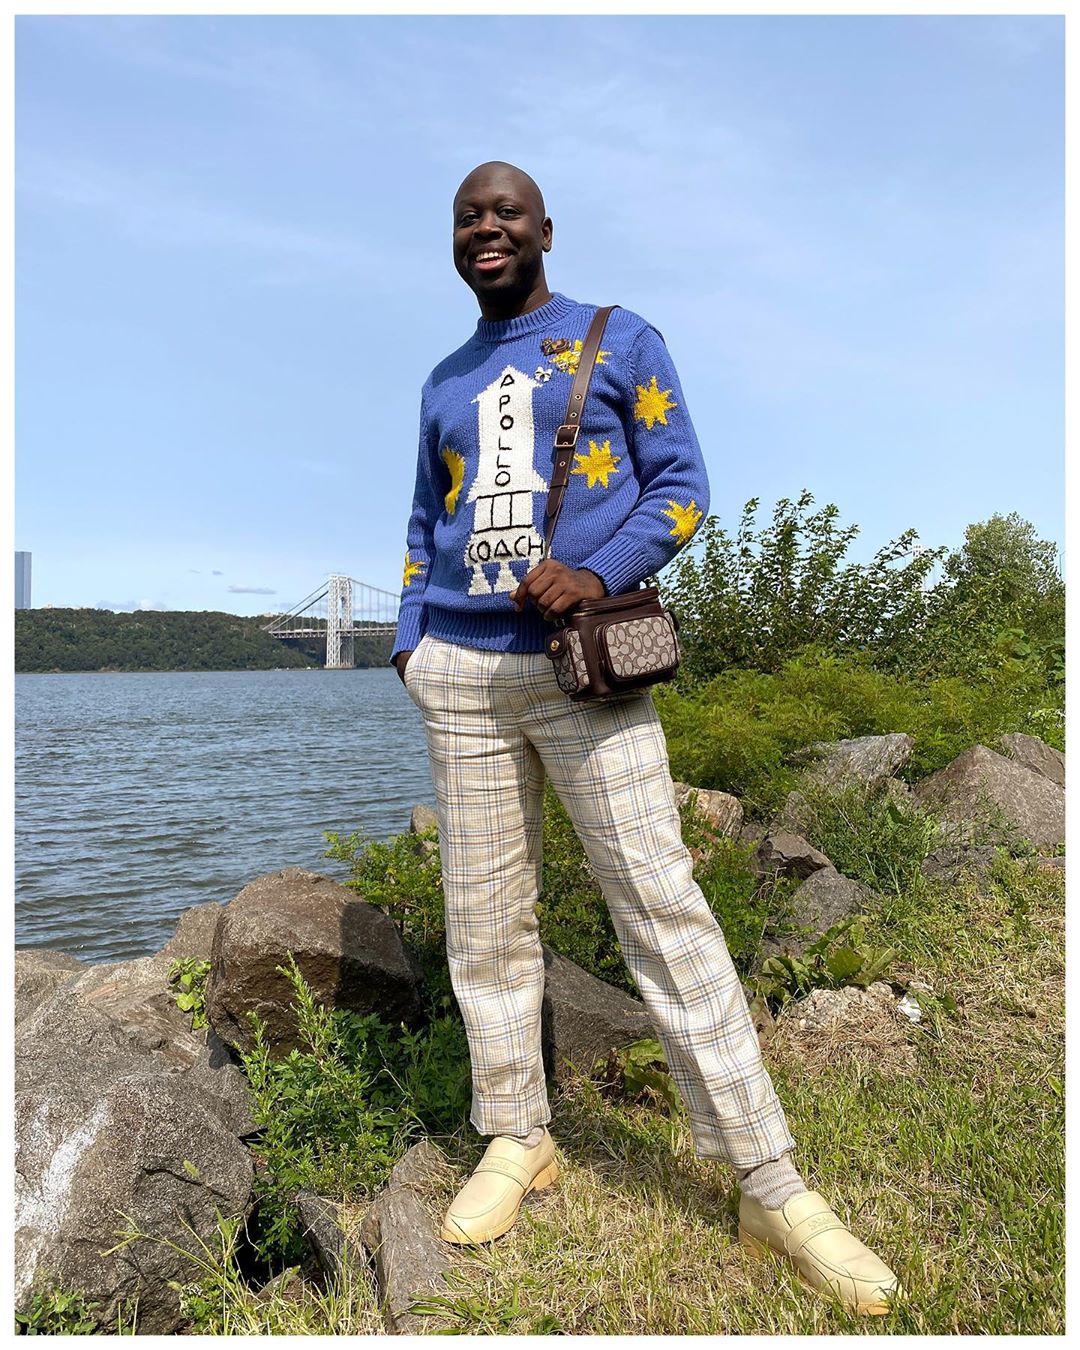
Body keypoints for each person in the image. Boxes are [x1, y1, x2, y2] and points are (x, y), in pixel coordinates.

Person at [389, 160, 903, 1317]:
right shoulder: (443, 379)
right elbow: (426, 517)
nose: (486, 227)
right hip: (462, 676)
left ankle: (769, 1183)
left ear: (545, 231)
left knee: (664, 912)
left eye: (505, 212)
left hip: (586, 671)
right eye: (467, 215)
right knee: (483, 925)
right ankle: (519, 1136)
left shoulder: (619, 341)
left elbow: (682, 487)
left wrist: (597, 572)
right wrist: (412, 641)